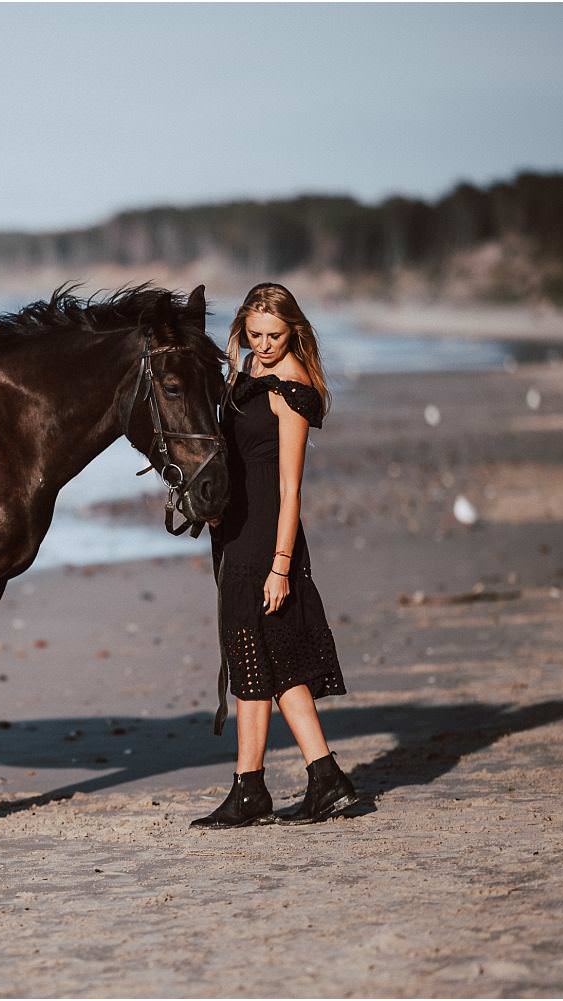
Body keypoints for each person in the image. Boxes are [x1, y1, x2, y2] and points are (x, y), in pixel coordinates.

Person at [192, 282, 358, 828]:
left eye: (275, 336)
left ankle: (252, 789)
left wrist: (281, 566)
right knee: (269, 662)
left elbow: (291, 489)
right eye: (255, 334)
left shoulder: (291, 387)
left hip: (266, 537)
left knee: (254, 656)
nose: (264, 344)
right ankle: (321, 778)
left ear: (295, 332)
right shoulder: (244, 376)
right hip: (235, 529)